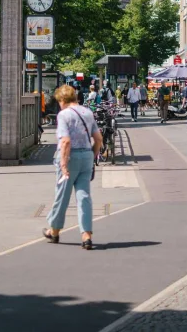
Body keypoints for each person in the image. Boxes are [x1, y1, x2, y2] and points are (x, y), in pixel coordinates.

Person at [43, 85, 103, 250]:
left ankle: (54, 231)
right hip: (87, 157)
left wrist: (63, 164)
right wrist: (92, 156)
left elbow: (66, 141)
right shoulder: (88, 113)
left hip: (70, 157)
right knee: (84, 196)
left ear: (62, 100)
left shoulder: (64, 115)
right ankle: (86, 234)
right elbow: (98, 139)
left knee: (62, 195)